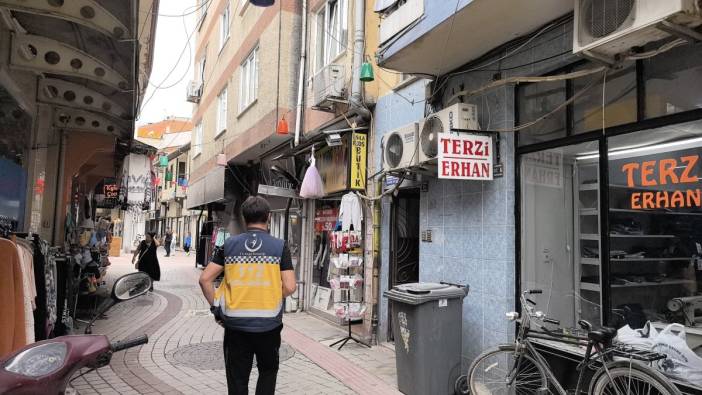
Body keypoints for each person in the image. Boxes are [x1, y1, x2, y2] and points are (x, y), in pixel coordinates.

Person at [199, 196, 296, 395]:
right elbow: (290, 286)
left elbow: (205, 279)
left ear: (244, 219)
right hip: (269, 324)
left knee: (237, 378)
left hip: (235, 325)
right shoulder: (279, 247)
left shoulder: (229, 245)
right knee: (268, 372)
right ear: (268, 217)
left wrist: (216, 309)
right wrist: (274, 296)